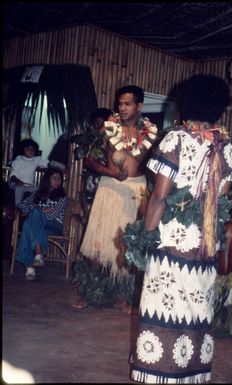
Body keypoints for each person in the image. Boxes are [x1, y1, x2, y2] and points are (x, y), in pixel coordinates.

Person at [128, 75, 232, 383]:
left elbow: (160, 197)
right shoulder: (228, 149)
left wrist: (144, 237)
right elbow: (220, 203)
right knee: (195, 309)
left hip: (170, 243)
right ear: (219, 108)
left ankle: (158, 373)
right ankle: (193, 373)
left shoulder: (175, 139)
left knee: (163, 308)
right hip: (204, 245)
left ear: (187, 104)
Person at [75, 86, 158, 312]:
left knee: (126, 247)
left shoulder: (151, 134)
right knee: (99, 245)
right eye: (120, 103)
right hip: (110, 188)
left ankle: (123, 296)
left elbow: (153, 167)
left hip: (136, 191)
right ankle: (89, 293)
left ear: (139, 106)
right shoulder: (108, 128)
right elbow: (89, 161)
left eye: (127, 104)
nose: (122, 108)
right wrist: (111, 173)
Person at [14, 167, 67, 280]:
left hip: (54, 226)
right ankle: (38, 256)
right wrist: (35, 210)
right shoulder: (37, 194)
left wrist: (38, 211)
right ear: (47, 179)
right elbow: (22, 206)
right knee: (29, 224)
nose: (57, 181)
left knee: (29, 223)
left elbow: (53, 216)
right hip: (39, 226)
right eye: (54, 178)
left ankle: (31, 265)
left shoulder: (62, 197)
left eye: (59, 179)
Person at [10, 138, 49, 206]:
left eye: (32, 149)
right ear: (23, 149)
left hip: (29, 185)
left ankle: (37, 207)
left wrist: (60, 167)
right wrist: (18, 181)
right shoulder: (18, 160)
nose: (31, 151)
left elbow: (48, 164)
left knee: (39, 190)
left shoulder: (36, 159)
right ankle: (18, 208)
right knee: (19, 188)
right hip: (16, 184)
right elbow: (12, 176)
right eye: (28, 149)